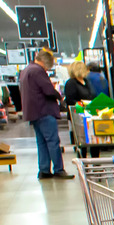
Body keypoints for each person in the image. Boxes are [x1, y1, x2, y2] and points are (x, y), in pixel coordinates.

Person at [19, 49, 74, 179]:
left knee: (42, 142)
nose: (48, 68)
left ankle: (44, 170)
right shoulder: (37, 70)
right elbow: (48, 90)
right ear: (44, 61)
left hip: (33, 112)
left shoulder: (26, 70)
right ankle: (58, 169)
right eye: (48, 65)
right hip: (44, 110)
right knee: (52, 141)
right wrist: (59, 97)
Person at [65, 61, 99, 158]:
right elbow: (70, 100)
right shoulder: (71, 83)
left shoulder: (87, 82)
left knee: (94, 138)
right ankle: (83, 161)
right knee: (82, 140)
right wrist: (82, 104)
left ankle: (96, 161)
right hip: (78, 115)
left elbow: (93, 95)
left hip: (90, 114)